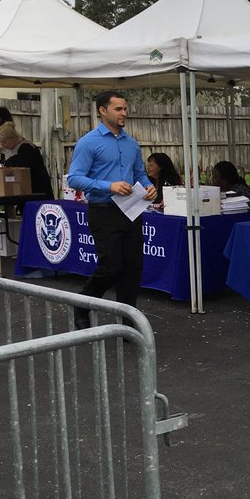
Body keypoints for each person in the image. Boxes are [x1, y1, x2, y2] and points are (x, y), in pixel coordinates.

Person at [67, 92, 157, 329]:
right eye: (118, 109)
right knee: (111, 267)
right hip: (103, 211)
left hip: (131, 210)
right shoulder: (88, 142)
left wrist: (149, 186)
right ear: (102, 110)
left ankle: (128, 323)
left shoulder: (131, 143)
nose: (124, 113)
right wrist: (109, 186)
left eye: (125, 109)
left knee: (132, 268)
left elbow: (139, 174)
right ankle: (82, 304)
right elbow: (74, 178)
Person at [0, 122, 54, 199]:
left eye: (4, 142)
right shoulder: (12, 149)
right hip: (25, 190)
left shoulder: (26, 147)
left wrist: (4, 165)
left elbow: (20, 163)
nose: (3, 145)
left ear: (13, 138)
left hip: (38, 189)